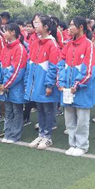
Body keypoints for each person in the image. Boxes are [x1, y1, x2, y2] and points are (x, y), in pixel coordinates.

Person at [58, 17, 95, 157]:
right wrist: (61, 82)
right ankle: (73, 144)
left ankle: (82, 145)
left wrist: (77, 84)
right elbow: (61, 64)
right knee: (69, 119)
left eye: (72, 25)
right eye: (69, 25)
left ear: (81, 27)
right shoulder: (68, 44)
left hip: (82, 90)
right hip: (67, 89)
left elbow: (89, 69)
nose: (69, 28)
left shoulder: (89, 45)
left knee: (82, 120)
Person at [26, 15, 61, 150]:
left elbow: (53, 67)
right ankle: (41, 134)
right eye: (34, 23)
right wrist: (29, 83)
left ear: (46, 27)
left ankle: (47, 136)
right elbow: (30, 64)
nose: (34, 25)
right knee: (40, 108)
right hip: (36, 83)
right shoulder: (35, 42)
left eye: (37, 23)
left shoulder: (52, 44)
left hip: (45, 83)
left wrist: (49, 85)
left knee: (48, 109)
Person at [0, 23, 28, 143]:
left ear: (13, 32)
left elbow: (17, 71)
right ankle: (7, 132)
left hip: (15, 87)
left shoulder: (20, 49)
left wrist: (6, 85)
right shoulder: (6, 47)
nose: (4, 33)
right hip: (5, 86)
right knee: (8, 110)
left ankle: (15, 135)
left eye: (6, 31)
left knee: (17, 110)